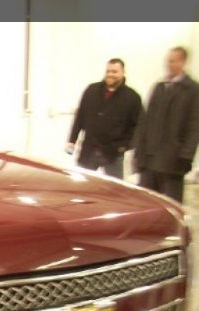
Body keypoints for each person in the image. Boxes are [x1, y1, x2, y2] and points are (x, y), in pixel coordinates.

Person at [134, 47, 199, 203]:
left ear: (183, 62)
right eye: (167, 60)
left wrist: (186, 156)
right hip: (149, 160)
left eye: (172, 61)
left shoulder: (192, 89)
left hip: (173, 162)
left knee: (170, 206)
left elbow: (194, 126)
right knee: (146, 204)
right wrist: (139, 151)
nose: (168, 64)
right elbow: (145, 122)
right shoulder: (159, 87)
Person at [67, 58, 142, 179]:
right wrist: (72, 140)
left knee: (114, 191)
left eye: (114, 71)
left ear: (123, 73)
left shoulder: (132, 97)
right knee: (81, 184)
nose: (110, 74)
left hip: (113, 154)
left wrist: (125, 146)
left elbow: (138, 127)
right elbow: (80, 117)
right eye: (108, 71)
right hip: (89, 150)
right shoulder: (91, 91)